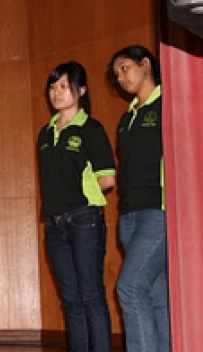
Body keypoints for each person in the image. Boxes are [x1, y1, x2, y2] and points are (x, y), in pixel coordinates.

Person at [36, 61, 116, 352]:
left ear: (81, 90)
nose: (56, 93)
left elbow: (107, 179)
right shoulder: (45, 134)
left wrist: (83, 186)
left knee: (91, 295)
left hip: (85, 220)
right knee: (70, 300)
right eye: (53, 87)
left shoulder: (91, 129)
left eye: (64, 87)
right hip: (54, 226)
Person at [107, 45, 170, 352]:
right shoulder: (126, 118)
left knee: (130, 288)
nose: (121, 77)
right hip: (129, 216)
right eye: (117, 73)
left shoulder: (167, 105)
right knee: (157, 297)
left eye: (125, 68)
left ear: (146, 64)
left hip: (159, 212)